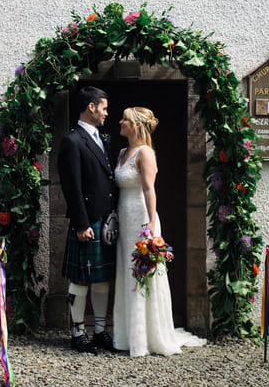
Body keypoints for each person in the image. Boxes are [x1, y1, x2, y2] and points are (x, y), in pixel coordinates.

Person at [112, 106, 206, 357]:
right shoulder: (122, 152)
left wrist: (151, 224)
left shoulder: (145, 153)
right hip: (124, 216)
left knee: (143, 273)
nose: (120, 121)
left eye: (125, 119)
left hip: (141, 217)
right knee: (126, 271)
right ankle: (126, 335)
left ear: (137, 126)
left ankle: (147, 337)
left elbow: (148, 189)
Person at [57, 86, 117, 354]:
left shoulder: (100, 138)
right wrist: (81, 224)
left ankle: (101, 331)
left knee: (102, 279)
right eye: (103, 107)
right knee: (81, 279)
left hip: (105, 220)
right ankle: (78, 332)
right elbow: (72, 187)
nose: (107, 113)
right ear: (91, 107)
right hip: (88, 220)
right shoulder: (72, 141)